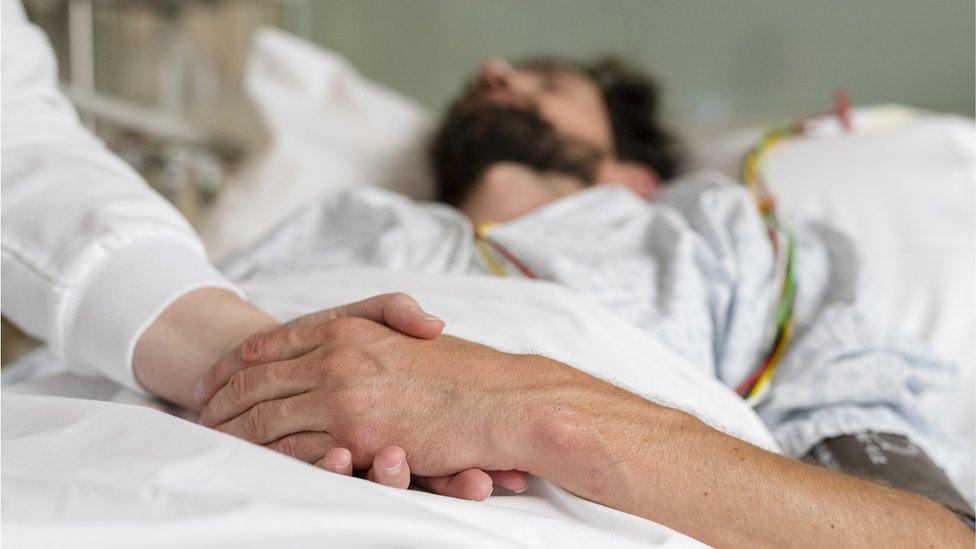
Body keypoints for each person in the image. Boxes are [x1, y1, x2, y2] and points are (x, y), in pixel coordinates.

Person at [194, 55, 976, 545]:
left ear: (636, 175)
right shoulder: (336, 224)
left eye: (550, 84)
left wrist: (532, 412)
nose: (496, 72)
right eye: (490, 81)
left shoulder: (725, 242)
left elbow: (923, 535)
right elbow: (187, 359)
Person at [0, 0, 524, 500]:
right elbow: (19, 143)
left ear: (612, 174)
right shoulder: (351, 215)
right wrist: (276, 369)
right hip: (198, 376)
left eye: (554, 84)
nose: (496, 69)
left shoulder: (601, 264)